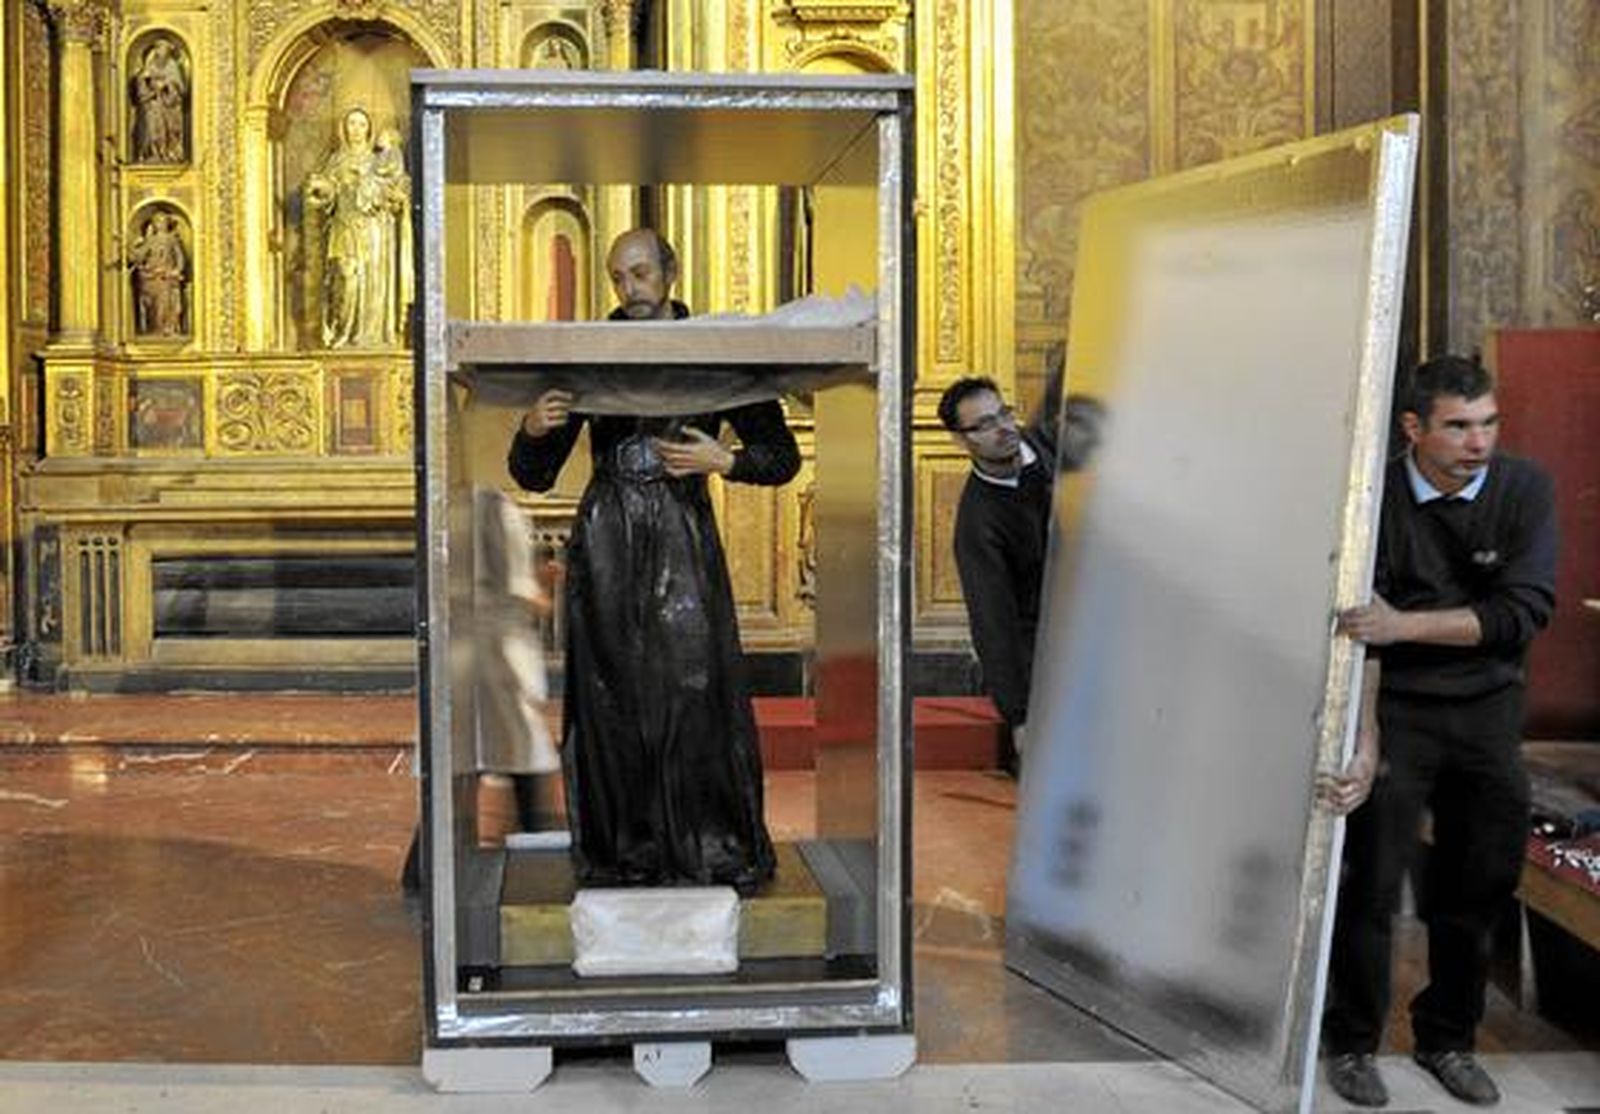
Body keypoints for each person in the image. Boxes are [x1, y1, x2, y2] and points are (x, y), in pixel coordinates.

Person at [508, 228, 800, 894]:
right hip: (608, 532)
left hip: (682, 532)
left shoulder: (718, 353)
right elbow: (532, 474)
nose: (630, 289)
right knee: (613, 697)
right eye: (618, 277)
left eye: (641, 273)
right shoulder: (587, 356)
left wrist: (725, 460)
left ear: (670, 271)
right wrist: (533, 430)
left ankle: (708, 845)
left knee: (694, 690)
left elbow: (780, 457)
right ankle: (624, 850)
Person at [1321, 355, 1557, 1108]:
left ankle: (1448, 1039)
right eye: (1458, 426)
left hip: (1489, 713)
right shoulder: (1372, 495)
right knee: (1370, 885)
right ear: (1415, 428)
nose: (1478, 441)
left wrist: (1406, 622)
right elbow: (1362, 637)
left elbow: (1521, 613)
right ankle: (1352, 1043)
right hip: (1397, 709)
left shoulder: (1524, 489)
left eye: (1488, 422)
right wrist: (1364, 746)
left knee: (1477, 884)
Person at [938, 376, 1056, 775]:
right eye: (984, 424)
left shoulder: (1055, 447)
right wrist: (1020, 716)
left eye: (1003, 413)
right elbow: (993, 622)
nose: (1003, 427)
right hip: (1048, 653)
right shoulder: (978, 522)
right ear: (960, 440)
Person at [303, 107, 409, 349]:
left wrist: (369, 184)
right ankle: (343, 331)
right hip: (344, 226)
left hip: (373, 231)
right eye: (352, 123)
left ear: (369, 129)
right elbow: (328, 193)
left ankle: (369, 335)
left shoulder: (377, 161)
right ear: (344, 128)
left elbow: (392, 194)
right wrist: (321, 189)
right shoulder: (336, 160)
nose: (356, 129)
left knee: (369, 282)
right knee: (345, 279)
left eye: (361, 124)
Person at [127, 213, 188, 337]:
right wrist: (127, 247)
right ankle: (153, 329)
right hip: (150, 278)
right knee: (152, 305)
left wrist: (176, 270)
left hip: (166, 277)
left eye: (163, 221)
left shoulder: (172, 240)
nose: (160, 224)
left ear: (167, 224)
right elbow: (139, 256)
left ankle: (167, 329)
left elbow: (180, 258)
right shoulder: (150, 240)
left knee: (165, 304)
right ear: (153, 224)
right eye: (158, 222)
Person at [131, 39, 187, 164]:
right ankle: (153, 153)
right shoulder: (148, 65)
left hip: (169, 107)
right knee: (153, 130)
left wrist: (167, 86)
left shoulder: (173, 66)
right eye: (160, 50)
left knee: (170, 130)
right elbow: (141, 88)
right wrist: (148, 85)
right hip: (153, 106)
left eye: (165, 50)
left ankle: (170, 152)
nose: (162, 53)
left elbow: (180, 89)